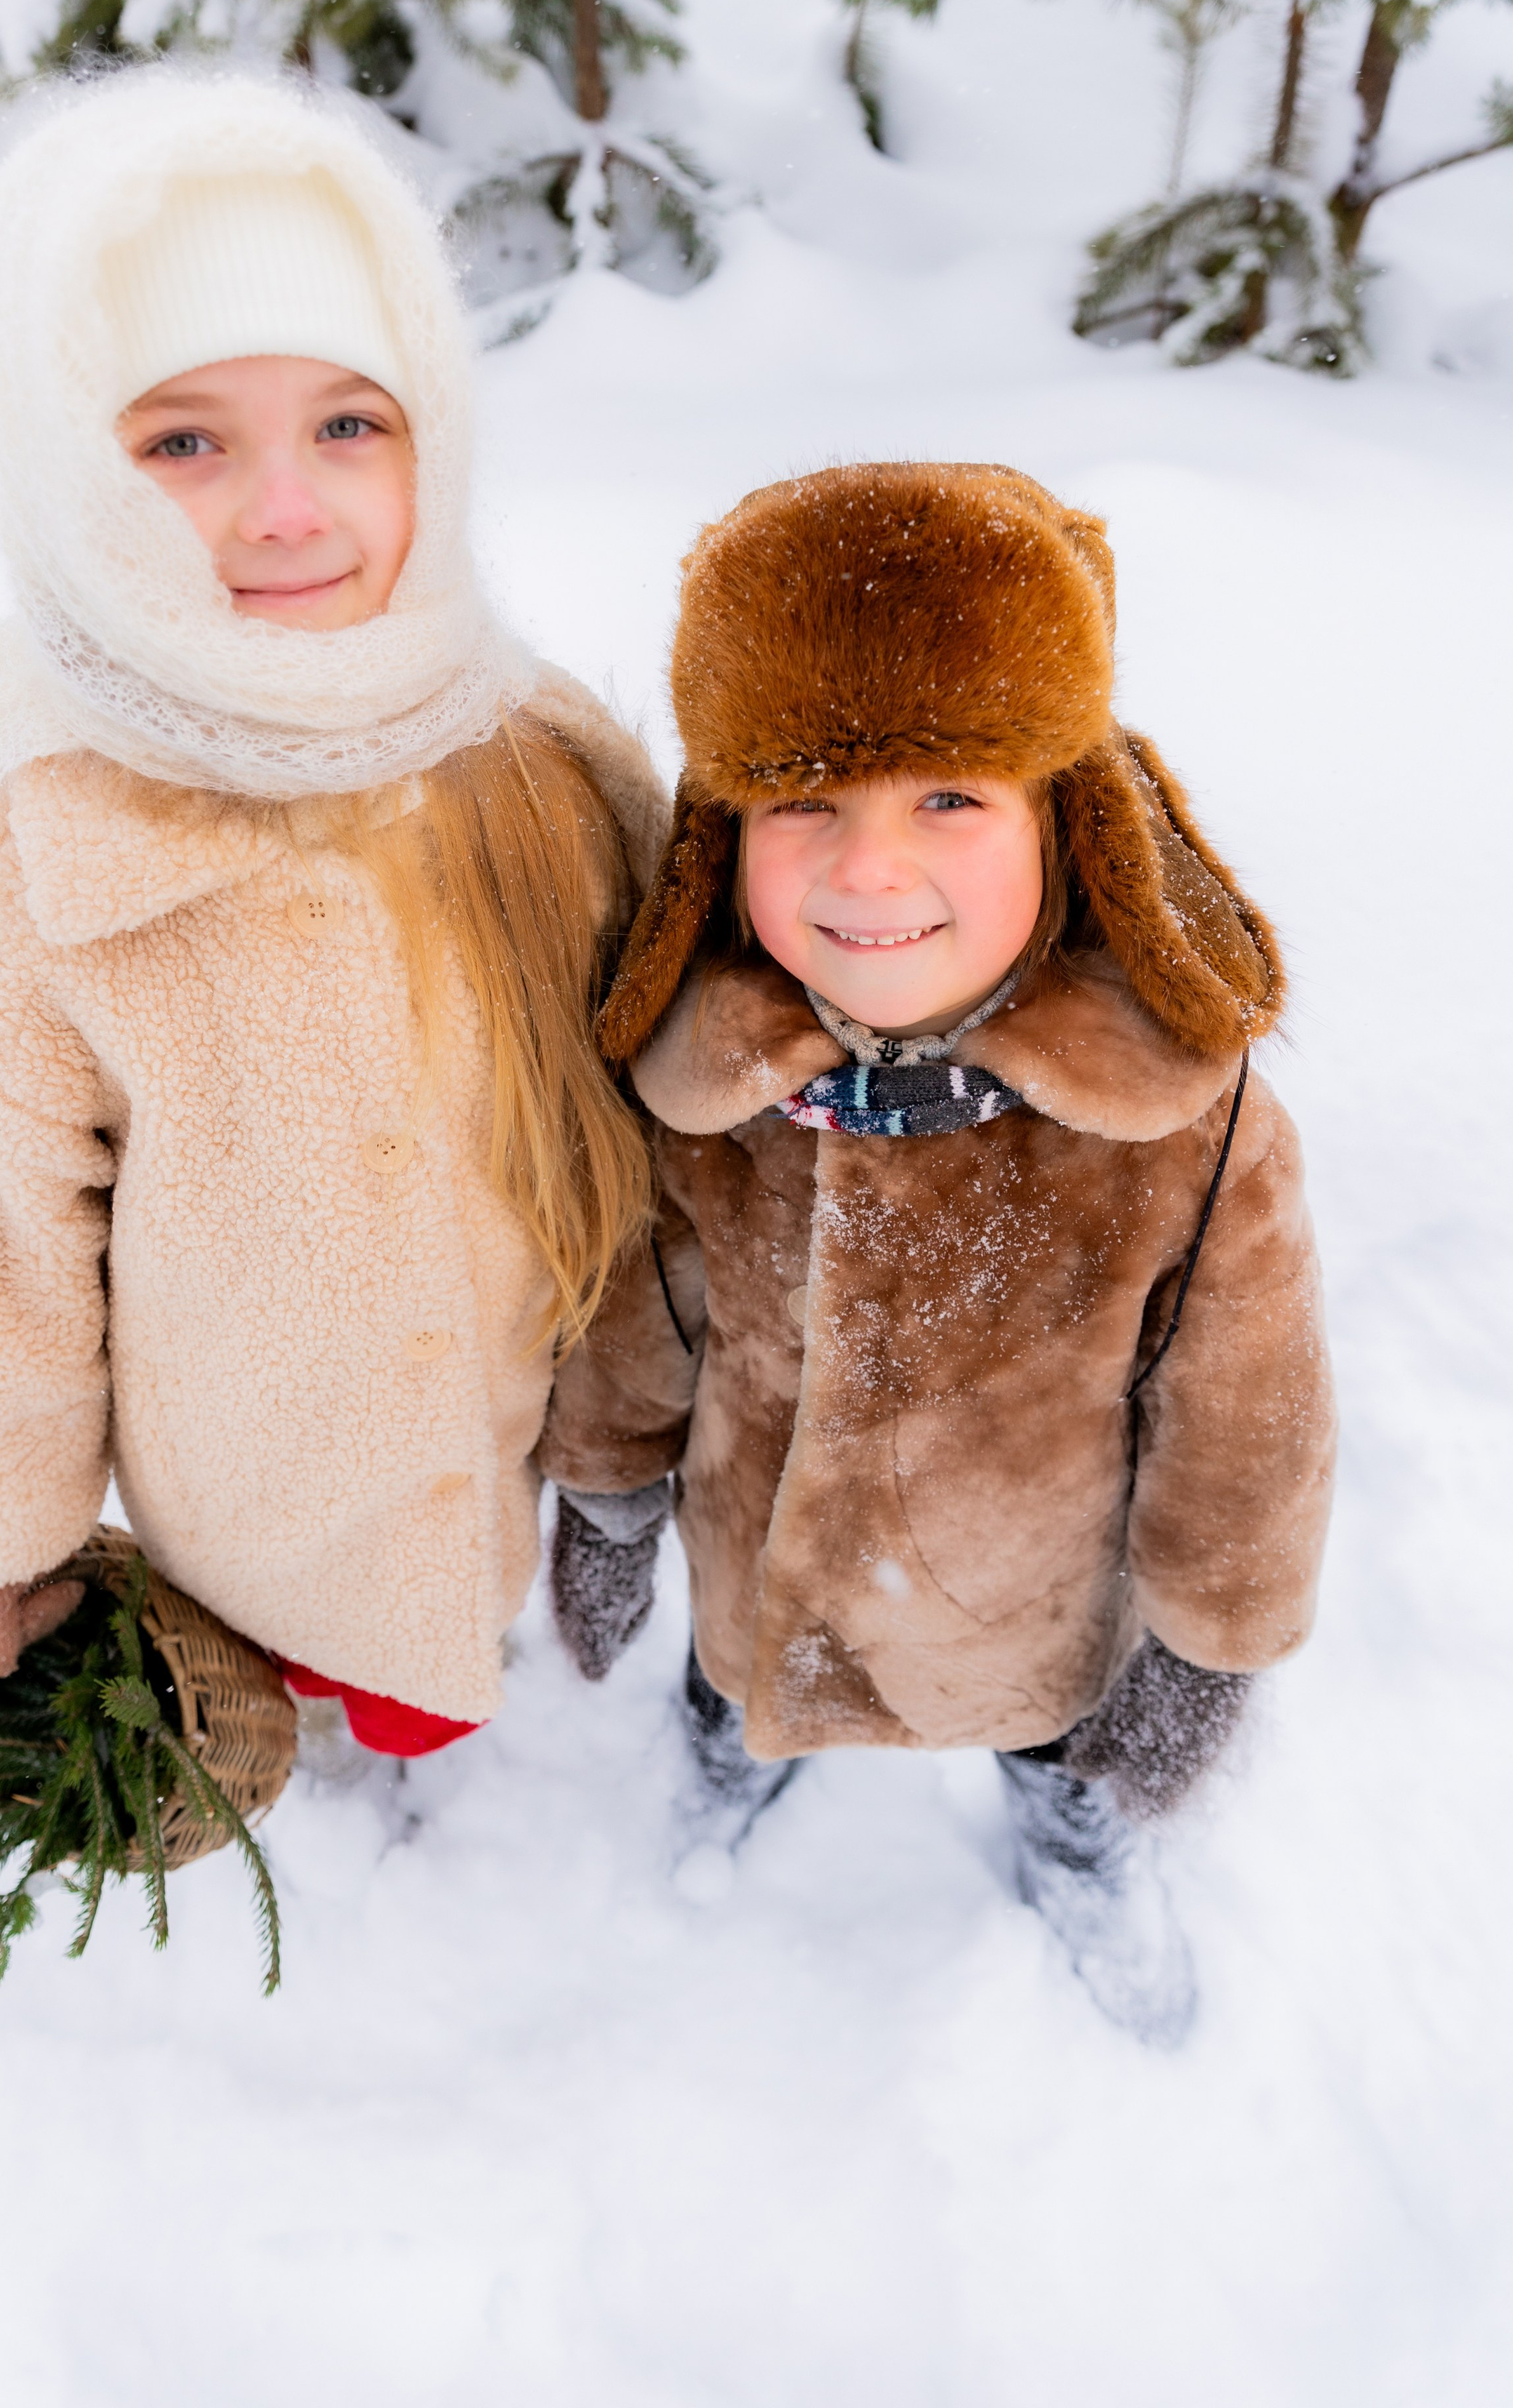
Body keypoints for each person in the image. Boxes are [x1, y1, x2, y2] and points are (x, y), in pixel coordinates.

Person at [0, 72, 664, 1765]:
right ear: (72, 471)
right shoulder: (37, 861)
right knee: (300, 1682)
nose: (288, 508)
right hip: (247, 1488)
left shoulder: (541, 766)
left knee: (439, 1669)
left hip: (517, 1408)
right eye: (183, 441)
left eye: (347, 423)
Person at [540, 460, 1337, 2039]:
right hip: (752, 1563)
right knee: (734, 1688)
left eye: (951, 800)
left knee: (1057, 1734)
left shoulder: (1177, 1131)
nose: (867, 871)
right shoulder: (705, 1090)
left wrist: (1206, 1648)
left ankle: (1066, 1827)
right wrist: (613, 1500)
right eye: (804, 804)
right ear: (719, 834)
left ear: (1067, 817)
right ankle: (726, 1758)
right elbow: (645, 1315)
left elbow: (1249, 1417)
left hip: (1034, 1611)